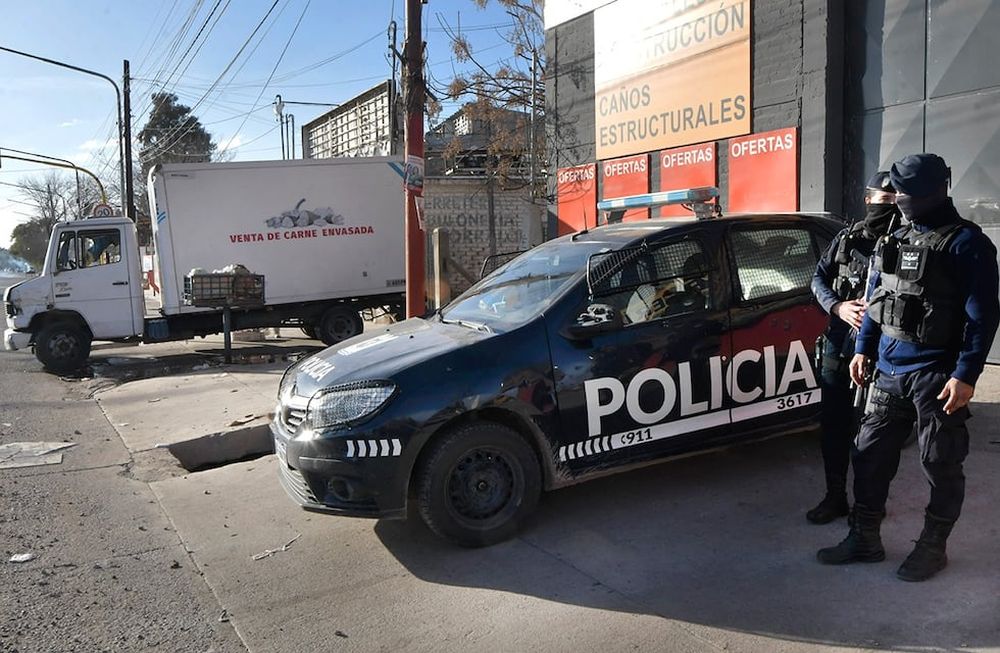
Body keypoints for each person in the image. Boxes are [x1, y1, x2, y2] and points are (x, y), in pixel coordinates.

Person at [817, 153, 1000, 581]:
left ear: (936, 191)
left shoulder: (966, 243)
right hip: (887, 367)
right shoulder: (894, 237)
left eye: (907, 192)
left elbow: (982, 317)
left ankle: (933, 547)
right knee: (868, 456)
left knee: (940, 462)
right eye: (896, 191)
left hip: (937, 375)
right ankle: (864, 538)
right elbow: (876, 298)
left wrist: (967, 375)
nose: (898, 199)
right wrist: (863, 349)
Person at [807, 171, 898, 524]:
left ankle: (869, 503)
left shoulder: (904, 240)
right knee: (834, 426)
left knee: (875, 432)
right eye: (882, 199)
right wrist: (838, 307)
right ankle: (835, 497)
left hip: (880, 349)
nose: (888, 206)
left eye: (894, 201)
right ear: (867, 199)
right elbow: (818, 278)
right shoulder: (847, 238)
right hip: (838, 343)